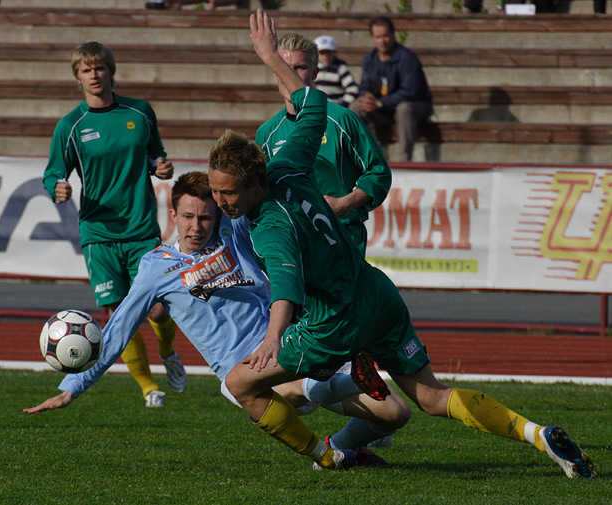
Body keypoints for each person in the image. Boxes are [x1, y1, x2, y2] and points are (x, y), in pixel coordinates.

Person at [207, 10, 595, 477]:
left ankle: (327, 455)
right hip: (375, 292)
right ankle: (536, 434)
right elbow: (311, 105)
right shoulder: (286, 159)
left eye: (226, 192)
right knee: (429, 397)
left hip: (331, 321)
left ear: (252, 182)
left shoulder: (269, 225)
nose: (220, 201)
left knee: (241, 384)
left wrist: (272, 337)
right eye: (214, 191)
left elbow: (285, 282)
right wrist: (270, 57)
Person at [25, 170, 409, 467]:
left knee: (395, 414)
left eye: (206, 217)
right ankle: (343, 381)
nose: (197, 227)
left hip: (290, 339)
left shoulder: (236, 231)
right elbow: (117, 330)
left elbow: (254, 191)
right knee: (300, 382)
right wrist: (73, 386)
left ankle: (338, 449)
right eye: (188, 217)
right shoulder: (156, 268)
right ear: (172, 214)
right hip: (240, 370)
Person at [42, 41, 187, 408]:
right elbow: (53, 173)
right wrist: (57, 188)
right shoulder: (70, 126)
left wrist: (160, 166)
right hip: (99, 234)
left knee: (157, 309)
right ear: (78, 78)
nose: (94, 75)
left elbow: (156, 152)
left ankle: (169, 351)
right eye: (86, 70)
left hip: (140, 228)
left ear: (110, 71)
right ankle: (147, 387)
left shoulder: (139, 112)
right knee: (119, 314)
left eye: (99, 68)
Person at [256, 32, 390, 255]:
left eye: (300, 67)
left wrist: (345, 203)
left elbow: (379, 172)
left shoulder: (341, 119)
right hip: (294, 241)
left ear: (316, 73)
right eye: (284, 67)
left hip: (341, 238)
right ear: (275, 72)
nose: (291, 74)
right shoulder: (267, 133)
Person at [349, 16, 433, 162]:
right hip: (383, 109)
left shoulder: (407, 58)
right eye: (378, 37)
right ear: (373, 39)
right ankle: (355, 157)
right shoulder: (370, 58)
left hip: (416, 106)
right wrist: (367, 97)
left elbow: (410, 92)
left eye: (386, 36)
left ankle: (404, 161)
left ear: (393, 35)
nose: (383, 41)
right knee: (356, 106)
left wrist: (381, 103)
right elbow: (364, 86)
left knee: (404, 108)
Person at [313, 35, 359, 109]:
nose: (326, 56)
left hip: (336, 106)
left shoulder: (340, 69)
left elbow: (353, 89)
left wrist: (342, 105)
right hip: (319, 105)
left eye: (328, 53)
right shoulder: (315, 68)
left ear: (335, 53)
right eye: (322, 53)